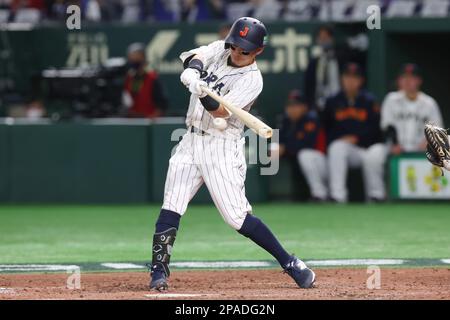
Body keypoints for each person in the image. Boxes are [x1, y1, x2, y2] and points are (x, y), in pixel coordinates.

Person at [149, 17, 315, 292]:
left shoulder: (253, 80)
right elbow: (196, 56)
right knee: (172, 205)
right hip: (190, 140)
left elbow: (221, 113)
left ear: (259, 51)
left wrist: (203, 93)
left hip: (221, 146)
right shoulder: (222, 48)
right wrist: (193, 72)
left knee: (236, 217)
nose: (237, 53)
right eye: (236, 46)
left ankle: (290, 262)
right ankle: (158, 273)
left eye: (245, 50)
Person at [323, 62, 385, 203]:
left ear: (360, 80)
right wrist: (342, 138)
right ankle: (337, 196)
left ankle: (376, 196)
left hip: (368, 147)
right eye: (347, 77)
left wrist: (357, 138)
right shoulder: (333, 102)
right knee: (336, 147)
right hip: (349, 150)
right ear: (342, 79)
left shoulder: (369, 101)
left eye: (354, 77)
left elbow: (376, 130)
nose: (350, 81)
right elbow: (328, 129)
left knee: (374, 155)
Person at [274, 89, 327, 201]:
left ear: (304, 107)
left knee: (305, 155)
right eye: (290, 106)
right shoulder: (285, 121)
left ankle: (319, 194)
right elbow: (280, 141)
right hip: (303, 163)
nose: (292, 109)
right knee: (272, 149)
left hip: (324, 163)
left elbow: (307, 145)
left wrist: (285, 148)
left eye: (296, 105)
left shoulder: (311, 119)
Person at [381, 63, 443, 155]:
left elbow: (437, 130)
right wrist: (394, 145)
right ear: (399, 80)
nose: (407, 81)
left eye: (411, 78)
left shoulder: (429, 103)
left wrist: (428, 142)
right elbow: (387, 126)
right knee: (375, 154)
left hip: (422, 151)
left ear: (419, 81)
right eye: (404, 77)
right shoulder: (391, 99)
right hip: (394, 149)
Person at [122, 42, 168, 118]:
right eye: (132, 58)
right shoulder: (128, 79)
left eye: (138, 57)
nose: (135, 61)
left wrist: (152, 119)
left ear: (144, 59)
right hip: (131, 123)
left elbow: (162, 105)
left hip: (148, 123)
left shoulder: (152, 78)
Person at [304, 24, 341, 111]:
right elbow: (308, 86)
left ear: (332, 39)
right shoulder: (314, 62)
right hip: (319, 105)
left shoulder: (340, 58)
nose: (323, 41)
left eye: (326, 37)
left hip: (339, 103)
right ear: (317, 40)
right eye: (321, 38)